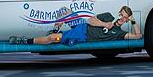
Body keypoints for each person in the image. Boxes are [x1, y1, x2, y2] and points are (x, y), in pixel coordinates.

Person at [9, 6, 142, 45]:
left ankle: (24, 41)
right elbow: (90, 20)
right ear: (119, 13)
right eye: (122, 15)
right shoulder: (108, 16)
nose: (122, 19)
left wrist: (133, 20)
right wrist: (104, 24)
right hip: (83, 25)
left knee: (53, 38)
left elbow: (138, 36)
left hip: (82, 35)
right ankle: (54, 29)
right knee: (63, 11)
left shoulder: (119, 33)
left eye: (125, 18)